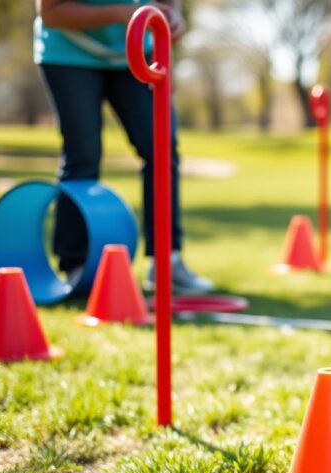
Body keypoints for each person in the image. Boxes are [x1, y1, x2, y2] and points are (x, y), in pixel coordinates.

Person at [34, 0, 213, 293]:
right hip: (69, 53)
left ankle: (168, 260)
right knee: (83, 154)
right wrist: (121, 14)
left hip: (135, 52)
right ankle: (75, 265)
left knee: (161, 148)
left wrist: (174, 16)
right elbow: (51, 13)